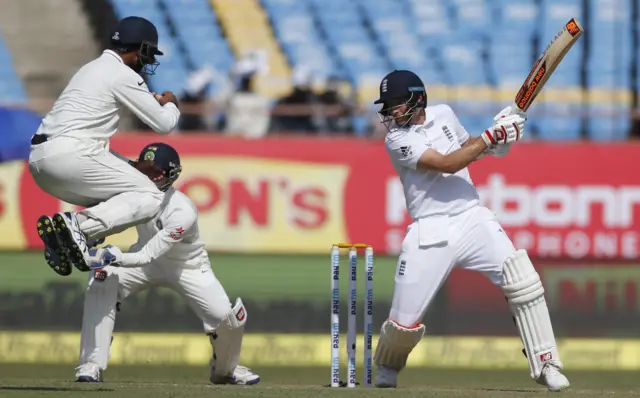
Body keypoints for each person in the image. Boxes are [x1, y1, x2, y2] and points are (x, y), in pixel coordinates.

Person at [371, 70, 570, 392]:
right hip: (430, 229)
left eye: (397, 102)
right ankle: (388, 367)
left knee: (523, 281)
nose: (392, 111)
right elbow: (448, 163)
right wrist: (490, 137)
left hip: (471, 217)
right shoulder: (397, 139)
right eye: (388, 105)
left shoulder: (444, 113)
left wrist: (500, 142)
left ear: (417, 98)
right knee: (403, 323)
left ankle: (547, 363)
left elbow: (468, 149)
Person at [73, 142, 260, 385]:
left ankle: (226, 370)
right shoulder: (131, 189)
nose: (150, 178)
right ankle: (91, 363)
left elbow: (149, 255)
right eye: (146, 171)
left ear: (170, 175)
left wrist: (112, 255)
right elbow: (103, 158)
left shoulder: (182, 211)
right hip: (142, 262)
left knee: (228, 319)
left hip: (187, 267)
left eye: (157, 173)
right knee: (102, 277)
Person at [31, 16, 180, 277]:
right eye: (149, 53)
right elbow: (164, 124)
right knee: (150, 195)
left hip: (40, 163)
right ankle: (76, 226)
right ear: (140, 48)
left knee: (122, 196)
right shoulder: (122, 74)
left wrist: (127, 164)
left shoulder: (90, 68)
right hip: (72, 156)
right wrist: (171, 102)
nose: (149, 60)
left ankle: (72, 239)